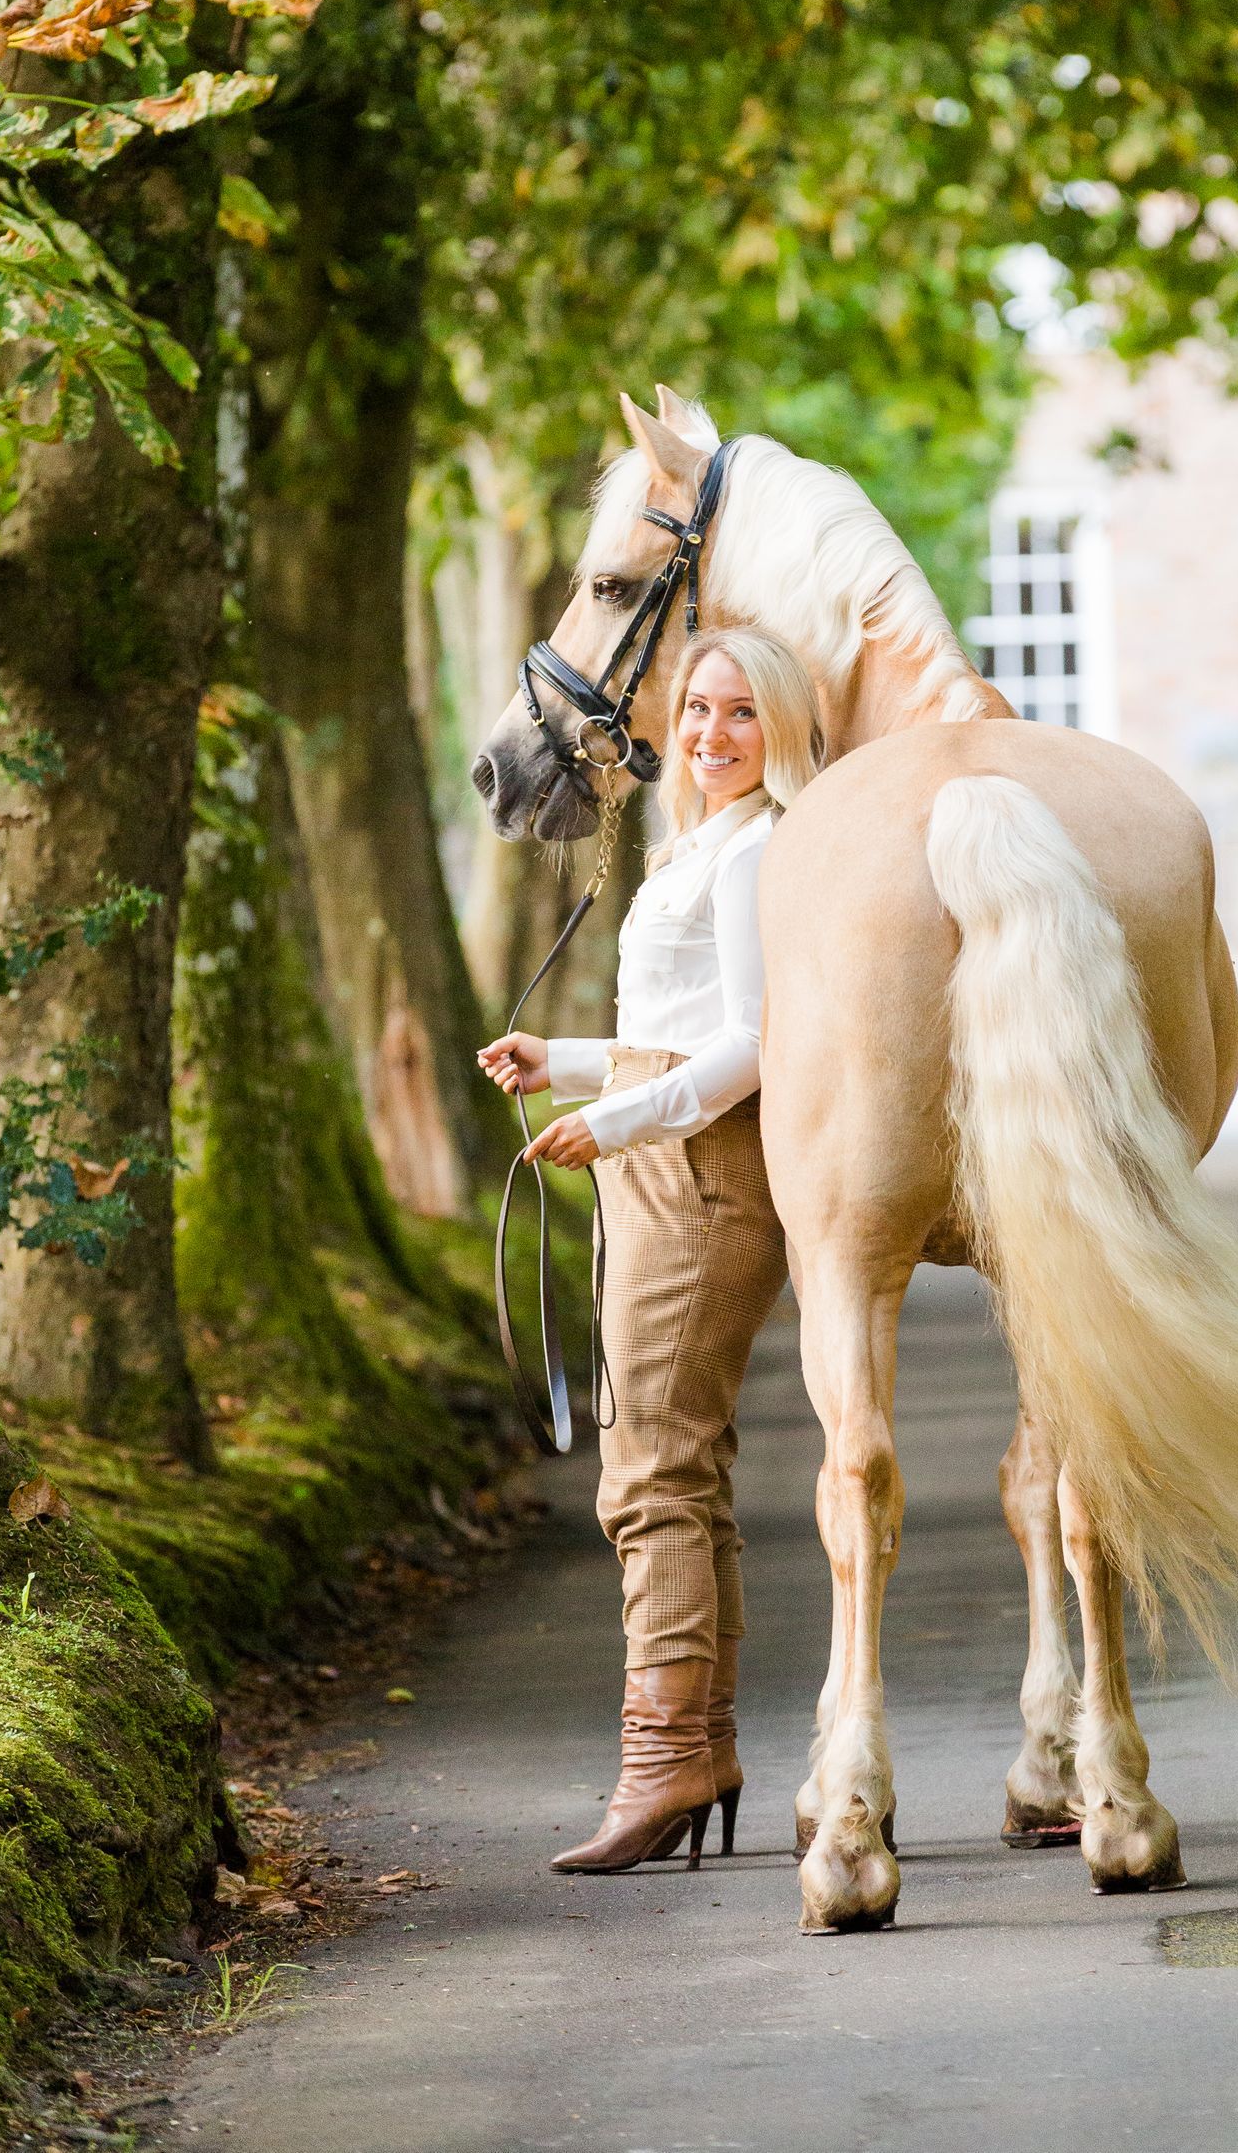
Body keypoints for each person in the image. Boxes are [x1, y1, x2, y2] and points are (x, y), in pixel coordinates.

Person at [478, 626, 824, 1875]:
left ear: (779, 728)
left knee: (650, 1472)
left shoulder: (761, 850)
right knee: (680, 1462)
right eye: (696, 710)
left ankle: (663, 1754)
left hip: (701, 1178)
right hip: (653, 1164)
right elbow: (669, 1028)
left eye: (741, 714)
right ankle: (705, 1746)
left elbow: (755, 1044)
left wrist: (613, 1119)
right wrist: (563, 1062)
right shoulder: (696, 846)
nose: (711, 734)